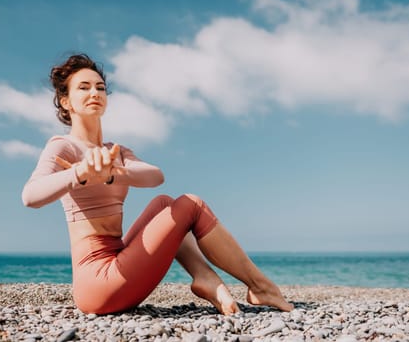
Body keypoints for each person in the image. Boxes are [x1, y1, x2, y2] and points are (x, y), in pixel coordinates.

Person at [22, 53, 294, 315]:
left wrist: (113, 174)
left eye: (100, 87)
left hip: (117, 262)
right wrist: (79, 173)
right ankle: (260, 286)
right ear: (66, 101)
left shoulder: (115, 152)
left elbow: (155, 175)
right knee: (191, 205)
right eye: (83, 88)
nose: (94, 93)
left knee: (164, 204)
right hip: (98, 282)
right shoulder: (63, 147)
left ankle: (204, 277)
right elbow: (30, 196)